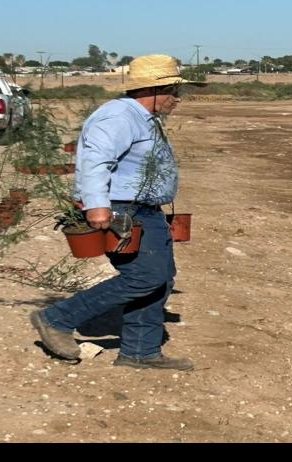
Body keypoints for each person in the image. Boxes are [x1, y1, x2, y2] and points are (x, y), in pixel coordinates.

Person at [28, 54, 206, 370]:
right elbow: (95, 161)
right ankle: (57, 318)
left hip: (144, 211)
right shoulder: (119, 117)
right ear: (154, 88)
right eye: (174, 91)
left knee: (160, 279)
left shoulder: (143, 118)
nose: (177, 99)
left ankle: (140, 351)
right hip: (124, 211)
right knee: (144, 277)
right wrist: (97, 206)